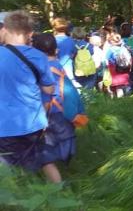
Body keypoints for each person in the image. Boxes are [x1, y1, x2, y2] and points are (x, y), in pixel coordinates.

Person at [0, 11, 56, 175]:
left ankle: (20, 190)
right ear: (29, 33)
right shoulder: (39, 56)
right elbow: (49, 89)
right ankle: (55, 188)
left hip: (5, 125)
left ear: (5, 29)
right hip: (34, 122)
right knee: (37, 162)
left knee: (8, 170)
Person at [31, 33, 78, 184]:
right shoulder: (58, 65)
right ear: (55, 49)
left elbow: (46, 96)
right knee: (64, 144)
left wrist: (41, 119)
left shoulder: (42, 69)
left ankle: (56, 184)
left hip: (51, 113)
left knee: (46, 152)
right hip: (65, 111)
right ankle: (66, 170)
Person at [105, 32, 131, 97]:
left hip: (115, 69)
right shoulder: (124, 48)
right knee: (125, 83)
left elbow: (106, 59)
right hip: (125, 68)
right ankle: (129, 96)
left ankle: (121, 98)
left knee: (119, 86)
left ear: (111, 42)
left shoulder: (110, 50)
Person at [51, 16, 77, 84]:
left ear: (54, 28)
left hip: (55, 68)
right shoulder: (71, 40)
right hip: (68, 67)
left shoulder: (52, 40)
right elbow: (74, 53)